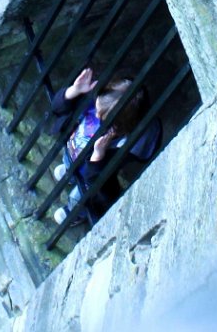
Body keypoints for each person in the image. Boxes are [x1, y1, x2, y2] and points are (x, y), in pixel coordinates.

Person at [47, 68, 159, 224]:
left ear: (118, 126)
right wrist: (74, 90)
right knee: (70, 159)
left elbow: (97, 181)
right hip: (75, 150)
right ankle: (70, 172)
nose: (96, 117)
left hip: (89, 169)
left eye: (102, 118)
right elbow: (57, 108)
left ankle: (75, 212)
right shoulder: (98, 95)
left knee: (82, 194)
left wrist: (98, 155)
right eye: (96, 111)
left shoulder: (122, 143)